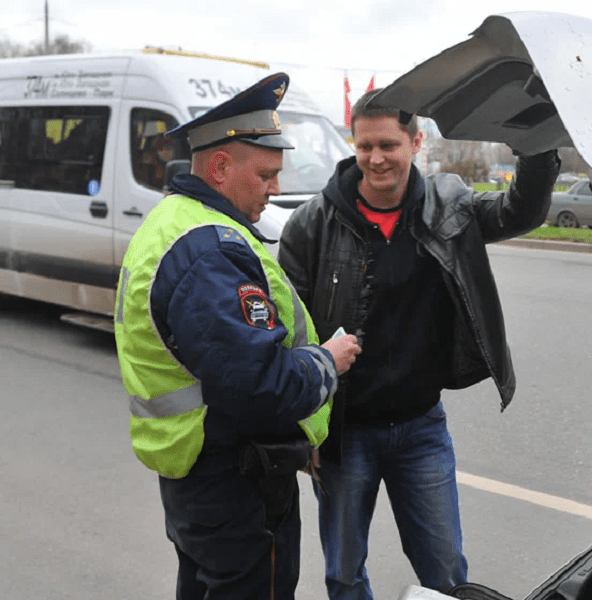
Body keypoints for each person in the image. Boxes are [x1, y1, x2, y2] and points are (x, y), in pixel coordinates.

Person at [278, 89, 561, 599]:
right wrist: (303, 430)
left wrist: (537, 148)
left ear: (415, 141)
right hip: (344, 433)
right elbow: (287, 335)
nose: (376, 158)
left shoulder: (449, 208)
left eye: (388, 144)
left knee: (447, 571)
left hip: (420, 429)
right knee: (343, 572)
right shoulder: (312, 224)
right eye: (365, 146)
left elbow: (521, 212)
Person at [113, 72, 361, 600]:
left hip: (200, 478)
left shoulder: (176, 222)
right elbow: (261, 384)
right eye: (267, 174)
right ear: (221, 168)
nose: (275, 190)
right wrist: (327, 362)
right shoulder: (206, 250)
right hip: (234, 483)